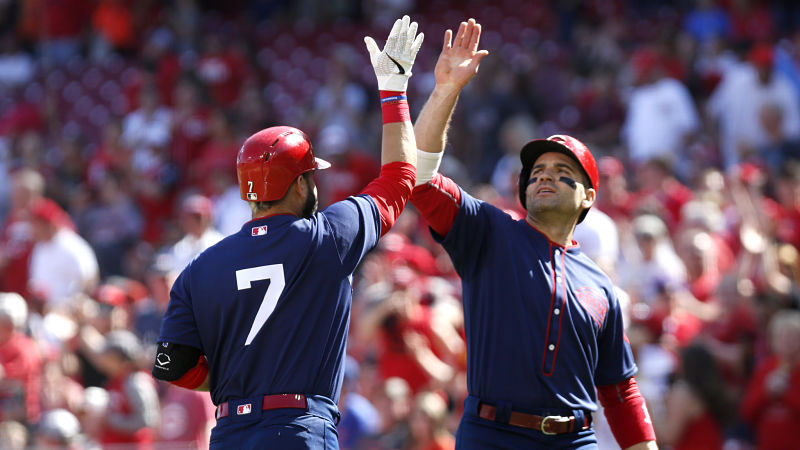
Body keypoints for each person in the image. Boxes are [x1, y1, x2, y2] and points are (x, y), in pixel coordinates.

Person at [152, 15, 423, 449]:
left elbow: (170, 364)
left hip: (229, 433)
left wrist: (239, 377)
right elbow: (400, 177)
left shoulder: (199, 266)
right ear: (300, 184)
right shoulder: (329, 235)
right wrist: (393, 90)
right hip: (298, 428)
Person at [409, 18, 657, 449]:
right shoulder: (490, 231)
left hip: (575, 439)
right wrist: (446, 89)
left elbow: (620, 391)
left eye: (563, 173)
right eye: (537, 171)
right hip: (492, 434)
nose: (545, 177)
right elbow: (421, 179)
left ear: (588, 197)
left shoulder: (600, 285)